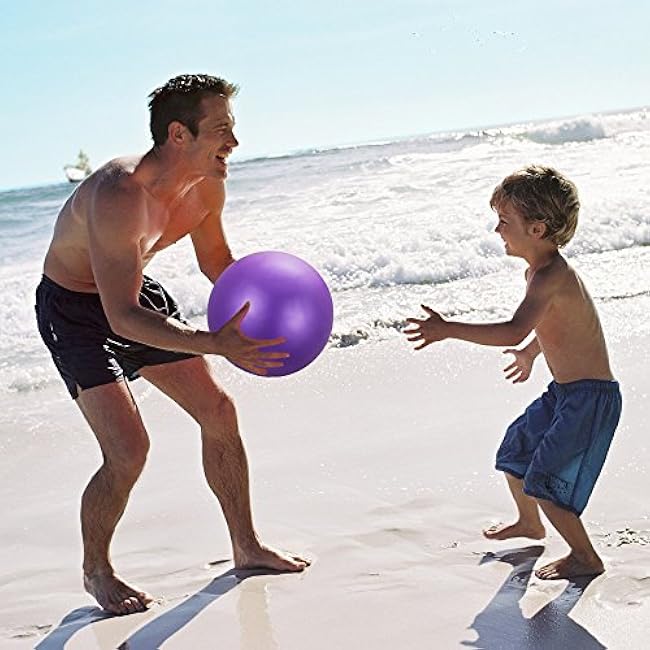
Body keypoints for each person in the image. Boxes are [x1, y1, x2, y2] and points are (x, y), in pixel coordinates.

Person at [35, 74, 309, 615]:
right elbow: (120, 317)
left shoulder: (207, 185)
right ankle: (96, 570)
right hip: (75, 310)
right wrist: (215, 342)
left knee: (218, 411)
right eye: (222, 129)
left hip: (133, 293)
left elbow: (217, 264)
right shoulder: (119, 195)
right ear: (179, 134)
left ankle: (246, 546)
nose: (234, 142)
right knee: (128, 450)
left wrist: (270, 311)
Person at [403, 165, 621, 580]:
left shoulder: (552, 277)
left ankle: (586, 557)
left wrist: (448, 329)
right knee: (515, 451)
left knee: (546, 482)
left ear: (537, 229)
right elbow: (556, 326)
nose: (497, 229)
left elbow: (513, 328)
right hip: (565, 393)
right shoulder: (537, 274)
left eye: (505, 221)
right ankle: (530, 523)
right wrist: (531, 352)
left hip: (589, 399)